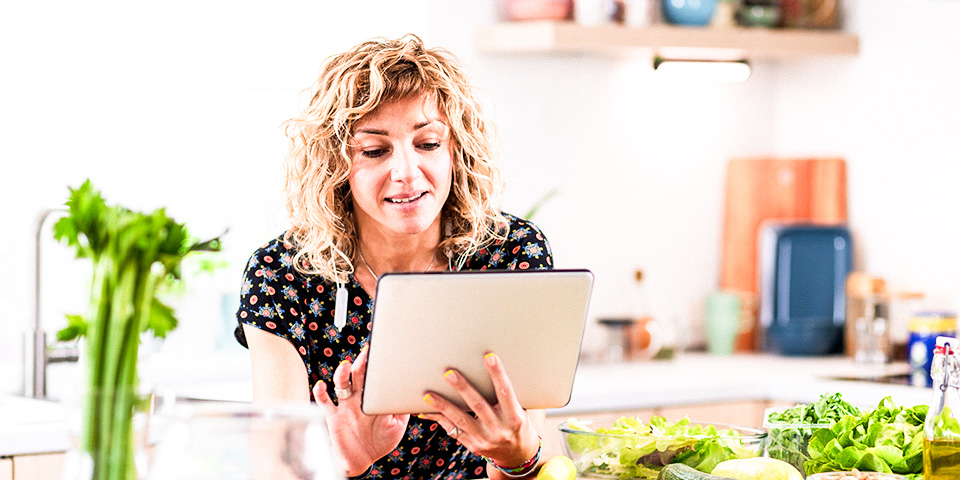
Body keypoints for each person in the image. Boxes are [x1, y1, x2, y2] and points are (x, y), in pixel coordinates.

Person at [234, 35, 554, 479]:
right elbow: (275, 469)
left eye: (428, 144)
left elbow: (525, 453)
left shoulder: (508, 251)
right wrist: (348, 466)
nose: (407, 172)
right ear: (335, 164)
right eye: (374, 150)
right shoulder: (283, 273)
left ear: (456, 151)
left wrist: (516, 458)